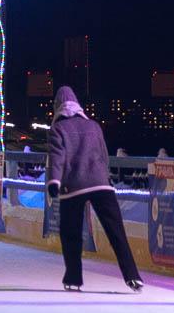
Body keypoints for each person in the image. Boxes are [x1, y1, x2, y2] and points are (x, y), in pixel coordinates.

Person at [47, 85, 144, 292]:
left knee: (71, 234)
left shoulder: (58, 129)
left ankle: (73, 278)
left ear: (57, 106)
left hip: (73, 187)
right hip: (102, 184)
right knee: (116, 232)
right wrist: (103, 176)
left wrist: (54, 182)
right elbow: (103, 155)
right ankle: (133, 276)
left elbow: (57, 158)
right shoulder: (94, 126)